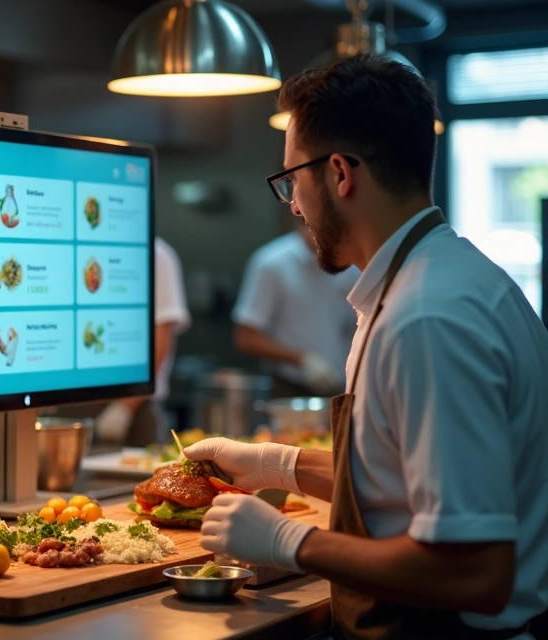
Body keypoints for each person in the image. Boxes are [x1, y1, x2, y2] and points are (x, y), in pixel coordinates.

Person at [186, 55, 548, 638]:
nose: (296, 206)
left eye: (292, 182)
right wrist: (278, 464)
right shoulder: (439, 279)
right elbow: (403, 481)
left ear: (339, 174)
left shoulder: (427, 320)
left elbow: (475, 572)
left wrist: (291, 541)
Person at [232, 215, 358, 397]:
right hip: (290, 387)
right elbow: (246, 338)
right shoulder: (271, 263)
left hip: (342, 385)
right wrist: (304, 360)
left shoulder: (351, 263)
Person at [95, 237, 191, 445]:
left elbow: (161, 334)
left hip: (134, 406)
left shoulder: (155, 252)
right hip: (76, 401)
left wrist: (124, 408)